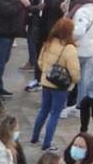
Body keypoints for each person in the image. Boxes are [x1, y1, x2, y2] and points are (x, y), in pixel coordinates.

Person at [32, 14, 80, 149]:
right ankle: (47, 143)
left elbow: (40, 61)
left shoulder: (48, 42)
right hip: (61, 86)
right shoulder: (69, 48)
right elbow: (74, 71)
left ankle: (34, 138)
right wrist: (74, 81)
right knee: (55, 114)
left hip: (46, 82)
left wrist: (47, 72)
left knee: (43, 110)